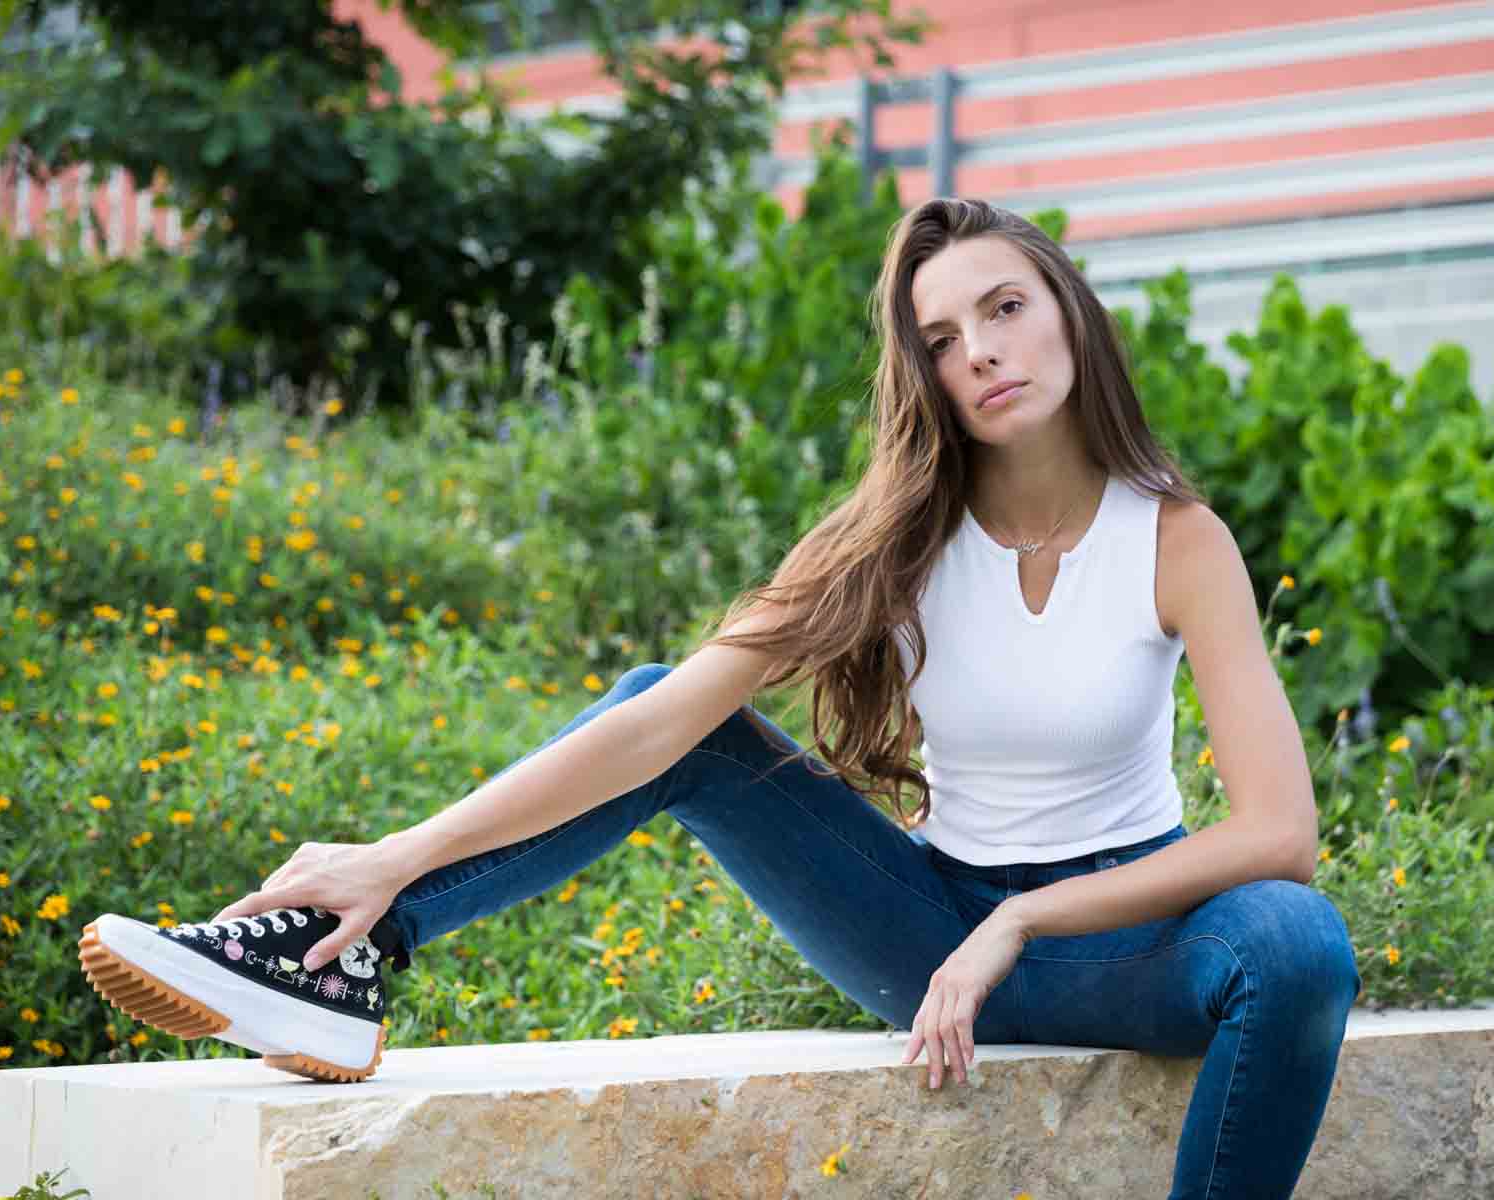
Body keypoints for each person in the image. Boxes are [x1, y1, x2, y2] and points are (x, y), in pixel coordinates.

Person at [78, 197, 1362, 1198]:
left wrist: (1022, 926)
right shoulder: (889, 537)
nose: (982, 352)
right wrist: (403, 852)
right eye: (942, 339)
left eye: (1006, 307)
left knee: (1297, 945)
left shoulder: (1176, 541)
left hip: (1125, 941)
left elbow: (1275, 838)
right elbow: (656, 720)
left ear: (1067, 313)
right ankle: (350, 957)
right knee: (675, 713)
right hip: (925, 924)